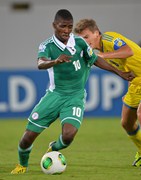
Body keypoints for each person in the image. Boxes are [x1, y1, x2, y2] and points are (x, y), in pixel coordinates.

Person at [11, 9, 134, 174]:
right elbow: (40, 63)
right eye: (63, 26)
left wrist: (120, 73)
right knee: (27, 138)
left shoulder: (79, 43)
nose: (67, 31)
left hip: (75, 96)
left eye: (70, 27)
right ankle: (22, 165)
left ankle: (53, 148)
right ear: (54, 25)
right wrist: (55, 61)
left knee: (68, 136)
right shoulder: (46, 45)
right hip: (54, 96)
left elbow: (95, 59)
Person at [74, 19, 141, 170]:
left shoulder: (110, 38)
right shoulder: (100, 51)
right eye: (81, 38)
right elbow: (127, 66)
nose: (84, 41)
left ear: (96, 33)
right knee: (126, 122)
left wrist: (104, 56)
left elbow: (128, 51)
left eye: (86, 36)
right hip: (136, 83)